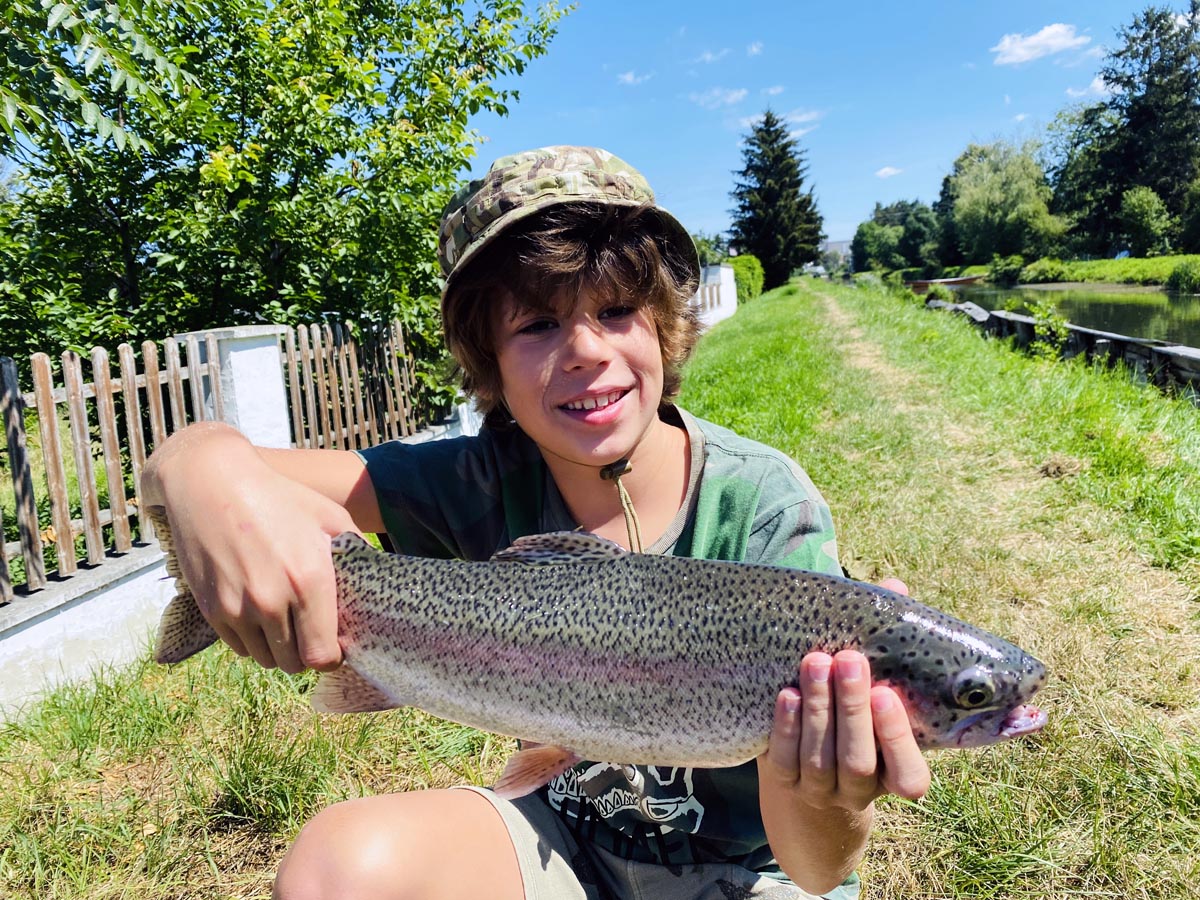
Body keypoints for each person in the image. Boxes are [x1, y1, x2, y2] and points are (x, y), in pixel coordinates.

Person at [141, 145, 930, 900]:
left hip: (756, 873)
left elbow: (819, 871)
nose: (586, 349)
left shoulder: (764, 510)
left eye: (617, 310)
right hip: (562, 845)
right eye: (537, 326)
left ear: (663, 326)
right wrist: (196, 465)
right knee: (335, 873)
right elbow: (224, 477)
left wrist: (833, 792)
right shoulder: (475, 477)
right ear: (487, 363)